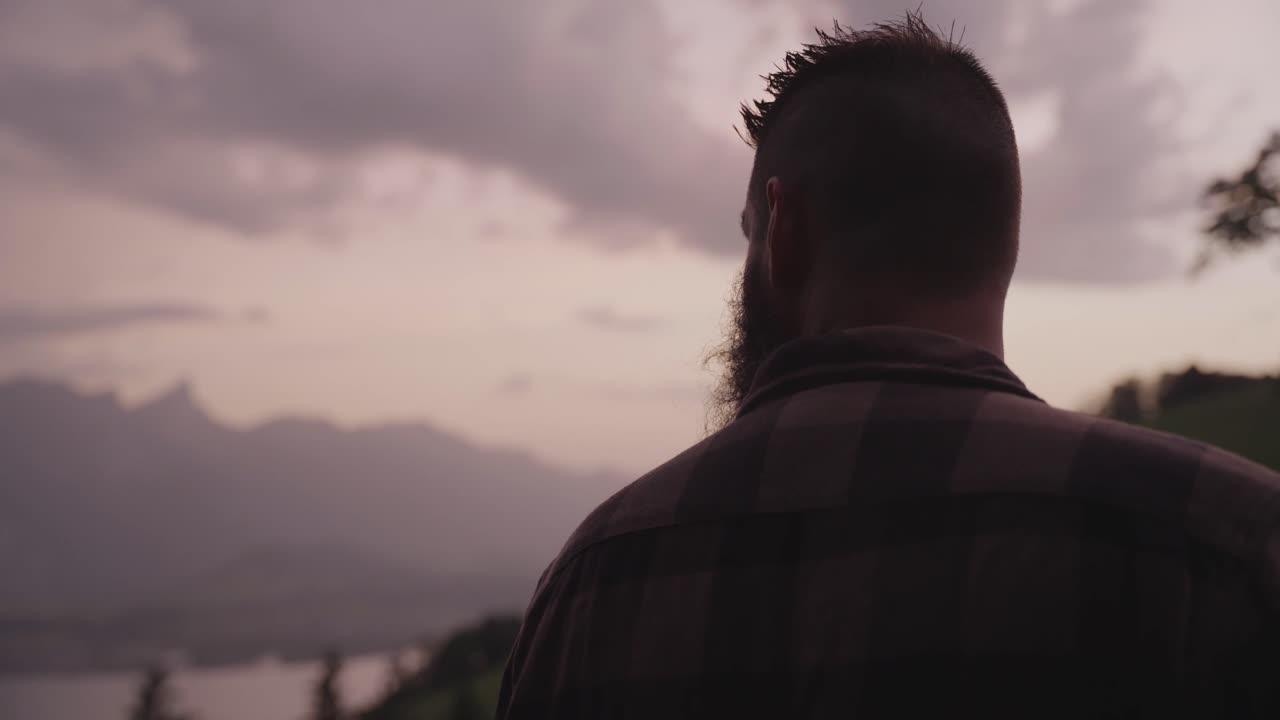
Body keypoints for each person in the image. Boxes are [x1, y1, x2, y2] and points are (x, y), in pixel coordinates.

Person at [497, 13, 1280, 718]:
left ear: (784, 233)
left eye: (748, 232)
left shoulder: (596, 584)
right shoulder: (1224, 538)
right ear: (1003, 240)